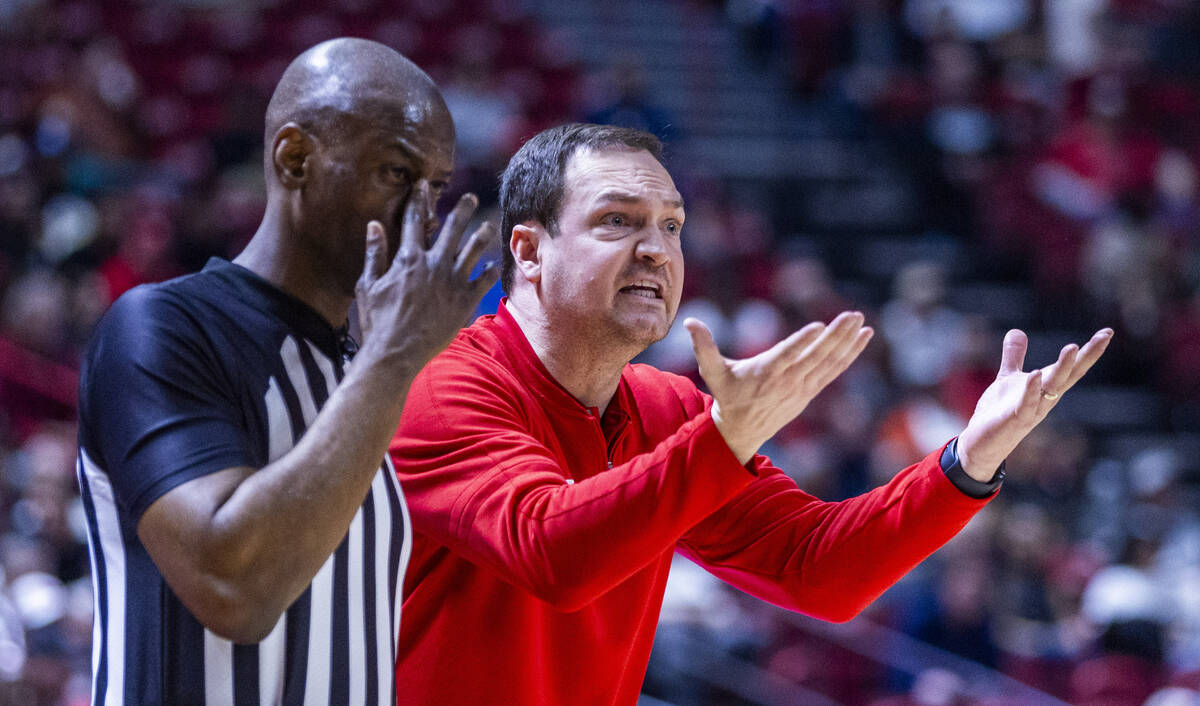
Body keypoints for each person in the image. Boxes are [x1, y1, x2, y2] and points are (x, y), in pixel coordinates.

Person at [388, 123, 1113, 704]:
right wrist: (720, 440)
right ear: (530, 249)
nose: (656, 250)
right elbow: (553, 554)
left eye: (671, 226)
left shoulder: (668, 409)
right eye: (618, 221)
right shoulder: (441, 389)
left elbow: (819, 571)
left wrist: (968, 461)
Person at [75, 38, 497, 704]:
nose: (423, 215)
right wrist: (392, 360)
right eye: (396, 173)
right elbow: (233, 589)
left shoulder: (367, 370)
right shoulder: (163, 328)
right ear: (294, 157)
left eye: (437, 187)